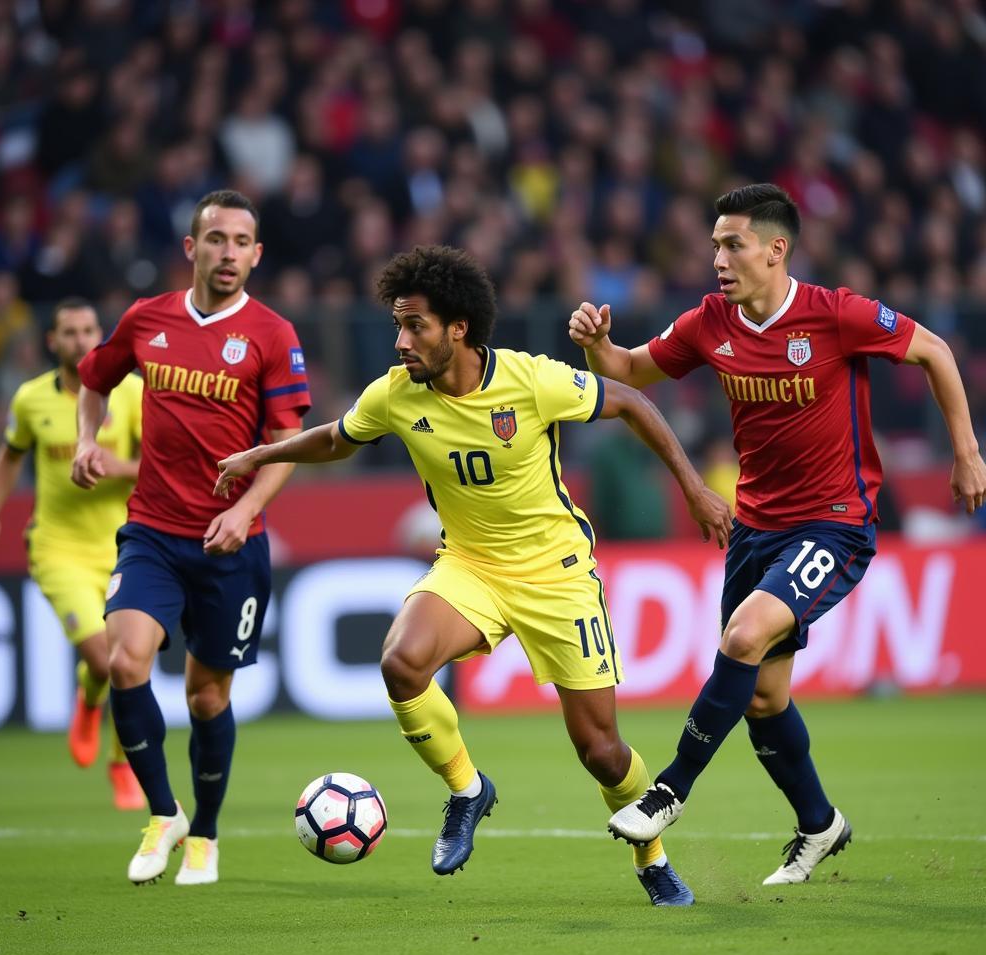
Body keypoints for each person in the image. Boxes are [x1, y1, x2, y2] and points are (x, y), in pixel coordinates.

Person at [215, 245, 731, 906]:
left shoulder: (531, 381)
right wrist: (261, 453)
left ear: (459, 328)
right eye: (398, 325)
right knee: (402, 663)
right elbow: (337, 439)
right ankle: (466, 788)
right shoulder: (396, 396)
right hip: (470, 564)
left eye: (416, 326)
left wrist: (692, 490)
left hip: (557, 574)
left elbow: (631, 401)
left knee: (601, 752)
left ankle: (652, 859)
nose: (401, 341)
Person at [569, 183, 986, 885]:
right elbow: (627, 372)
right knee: (762, 699)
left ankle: (668, 790)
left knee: (741, 638)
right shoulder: (710, 321)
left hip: (836, 521)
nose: (719, 259)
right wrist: (597, 345)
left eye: (733, 244)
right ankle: (820, 824)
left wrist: (967, 451)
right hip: (755, 529)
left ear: (775, 249)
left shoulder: (836, 315)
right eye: (714, 246)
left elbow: (936, 351)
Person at [71, 190, 311, 886]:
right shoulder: (147, 320)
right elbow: (94, 379)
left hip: (230, 544)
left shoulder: (272, 334)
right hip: (151, 530)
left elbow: (287, 443)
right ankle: (163, 811)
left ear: (256, 254)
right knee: (124, 662)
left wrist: (244, 512)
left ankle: (204, 832)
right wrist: (88, 440)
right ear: (191, 248)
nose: (228, 253)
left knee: (207, 697)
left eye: (241, 242)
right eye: (216, 239)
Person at [0, 297, 144, 811]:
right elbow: (8, 455)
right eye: (69, 332)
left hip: (125, 546)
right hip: (58, 548)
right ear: (52, 341)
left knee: (127, 660)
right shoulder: (30, 400)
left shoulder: (131, 393)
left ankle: (121, 763)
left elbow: (158, 462)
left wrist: (119, 466)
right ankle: (90, 701)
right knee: (105, 659)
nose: (81, 340)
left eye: (90, 329)